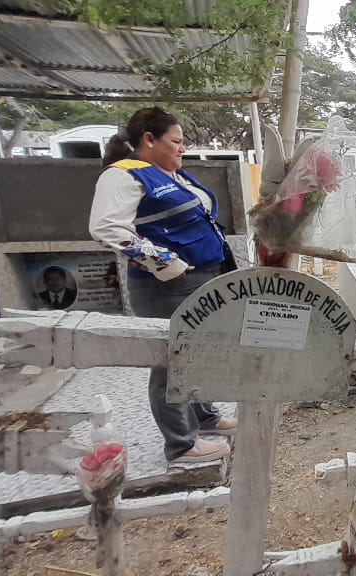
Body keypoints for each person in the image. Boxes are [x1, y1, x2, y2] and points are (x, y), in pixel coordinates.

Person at [89, 107, 235, 464]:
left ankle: (204, 417)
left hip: (204, 278)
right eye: (176, 141)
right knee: (172, 360)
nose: (182, 148)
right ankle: (181, 444)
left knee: (198, 353)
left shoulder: (173, 174)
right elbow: (106, 228)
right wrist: (164, 262)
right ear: (149, 140)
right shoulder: (124, 175)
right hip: (168, 287)